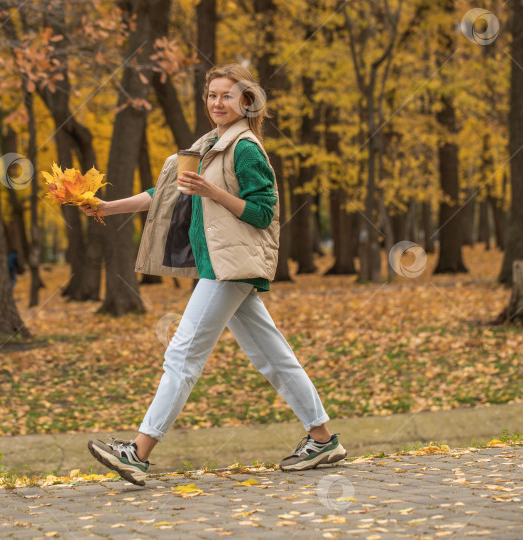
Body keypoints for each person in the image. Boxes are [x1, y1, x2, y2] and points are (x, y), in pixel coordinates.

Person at [82, 64, 346, 486]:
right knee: (274, 357)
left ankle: (138, 452)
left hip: (230, 269)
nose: (217, 103)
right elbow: (163, 194)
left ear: (246, 102)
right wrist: (107, 207)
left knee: (182, 354)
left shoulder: (245, 148)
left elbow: (264, 213)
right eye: (211, 95)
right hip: (219, 266)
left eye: (227, 96)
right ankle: (322, 439)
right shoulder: (207, 145)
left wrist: (213, 192)